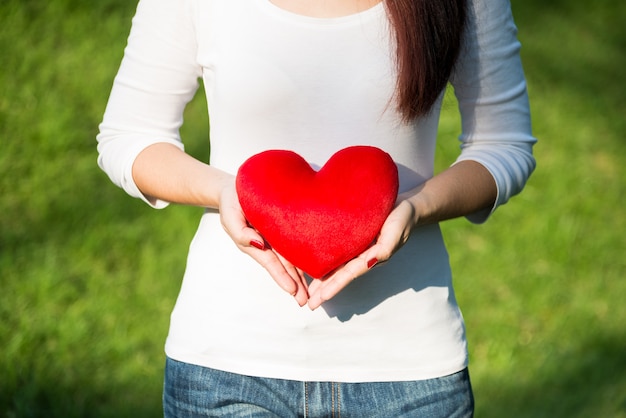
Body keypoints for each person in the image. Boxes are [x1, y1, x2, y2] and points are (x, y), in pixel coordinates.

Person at [97, 0, 536, 416]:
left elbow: (503, 145)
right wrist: (227, 192)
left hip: (409, 373)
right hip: (226, 368)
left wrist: (415, 207)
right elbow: (130, 136)